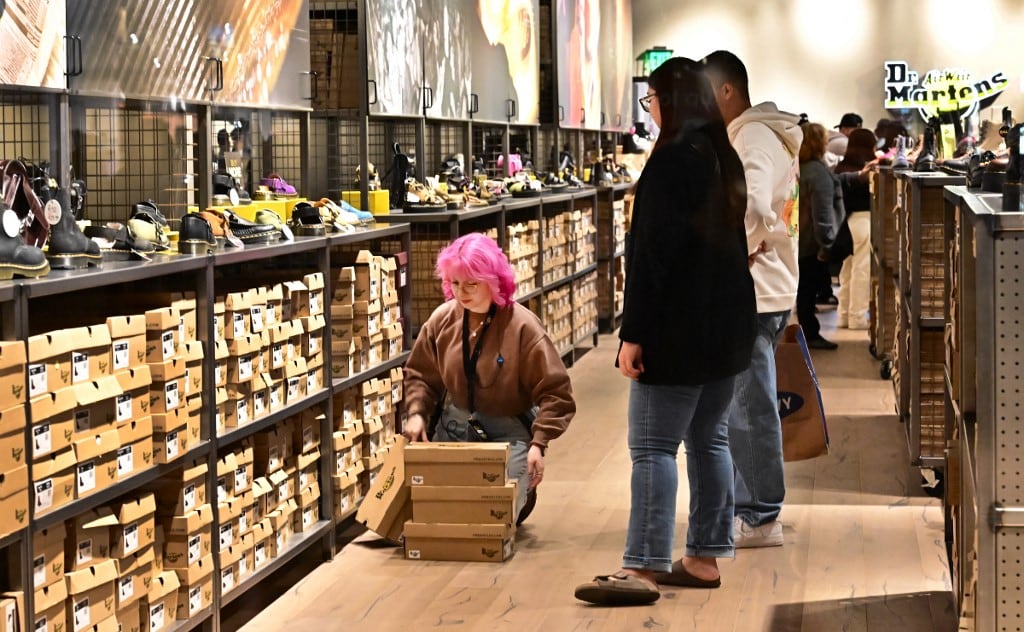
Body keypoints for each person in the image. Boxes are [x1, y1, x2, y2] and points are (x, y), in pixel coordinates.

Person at [574, 56, 756, 606]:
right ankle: (703, 557)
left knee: (652, 445)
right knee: (710, 439)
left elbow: (653, 257)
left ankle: (644, 566)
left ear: (670, 102)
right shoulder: (724, 156)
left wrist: (635, 333)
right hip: (727, 325)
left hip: (678, 328)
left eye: (652, 100)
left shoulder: (672, 159)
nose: (649, 110)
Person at [402, 233, 575, 525]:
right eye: (455, 283)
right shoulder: (442, 320)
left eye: (472, 283)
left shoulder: (522, 326)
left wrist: (539, 443)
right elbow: (420, 374)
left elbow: (557, 393)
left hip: (509, 433)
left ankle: (522, 495)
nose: (462, 292)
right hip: (454, 426)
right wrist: (417, 413)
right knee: (437, 518)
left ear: (493, 280)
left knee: (491, 519)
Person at [701, 50, 801, 549]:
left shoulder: (753, 137)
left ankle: (760, 516)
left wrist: (731, 252)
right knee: (745, 402)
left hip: (755, 291)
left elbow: (756, 207)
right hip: (767, 287)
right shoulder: (762, 134)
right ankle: (753, 506)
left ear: (726, 90)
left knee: (747, 406)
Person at [797, 122, 845, 350]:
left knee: (803, 291)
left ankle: (807, 332)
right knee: (807, 289)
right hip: (813, 244)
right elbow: (823, 214)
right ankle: (810, 334)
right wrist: (827, 245)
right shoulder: (818, 174)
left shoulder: (800, 169)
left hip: (800, 239)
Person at [834, 128, 877, 330]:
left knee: (847, 270)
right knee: (862, 270)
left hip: (843, 224)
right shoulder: (867, 170)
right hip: (864, 222)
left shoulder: (840, 169)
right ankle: (857, 317)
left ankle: (843, 315)